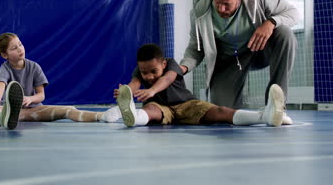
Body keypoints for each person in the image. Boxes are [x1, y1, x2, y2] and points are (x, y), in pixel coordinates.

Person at [179, 0, 298, 113]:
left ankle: (276, 106)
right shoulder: (200, 10)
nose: (221, 9)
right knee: (222, 111)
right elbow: (196, 48)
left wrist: (271, 22)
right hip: (227, 60)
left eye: (226, 4)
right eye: (217, 3)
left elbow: (293, 13)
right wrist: (183, 68)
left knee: (285, 33)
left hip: (258, 51)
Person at [113, 43, 288, 128]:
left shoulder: (172, 64)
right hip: (161, 107)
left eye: (153, 71)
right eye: (145, 72)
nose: (148, 76)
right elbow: (135, 83)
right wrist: (126, 92)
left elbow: (167, 79)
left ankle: (264, 117)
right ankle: (135, 118)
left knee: (221, 112)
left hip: (187, 104)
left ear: (163, 64)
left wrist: (151, 90)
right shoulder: (140, 70)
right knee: (151, 110)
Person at [0, 33, 113, 122]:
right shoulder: (5, 69)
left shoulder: (34, 67)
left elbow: (41, 95)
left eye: (20, 44)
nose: (20, 49)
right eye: (14, 48)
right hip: (9, 109)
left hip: (34, 108)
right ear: (5, 55)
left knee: (68, 110)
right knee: (11, 114)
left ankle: (102, 116)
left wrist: (30, 99)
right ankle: (7, 116)